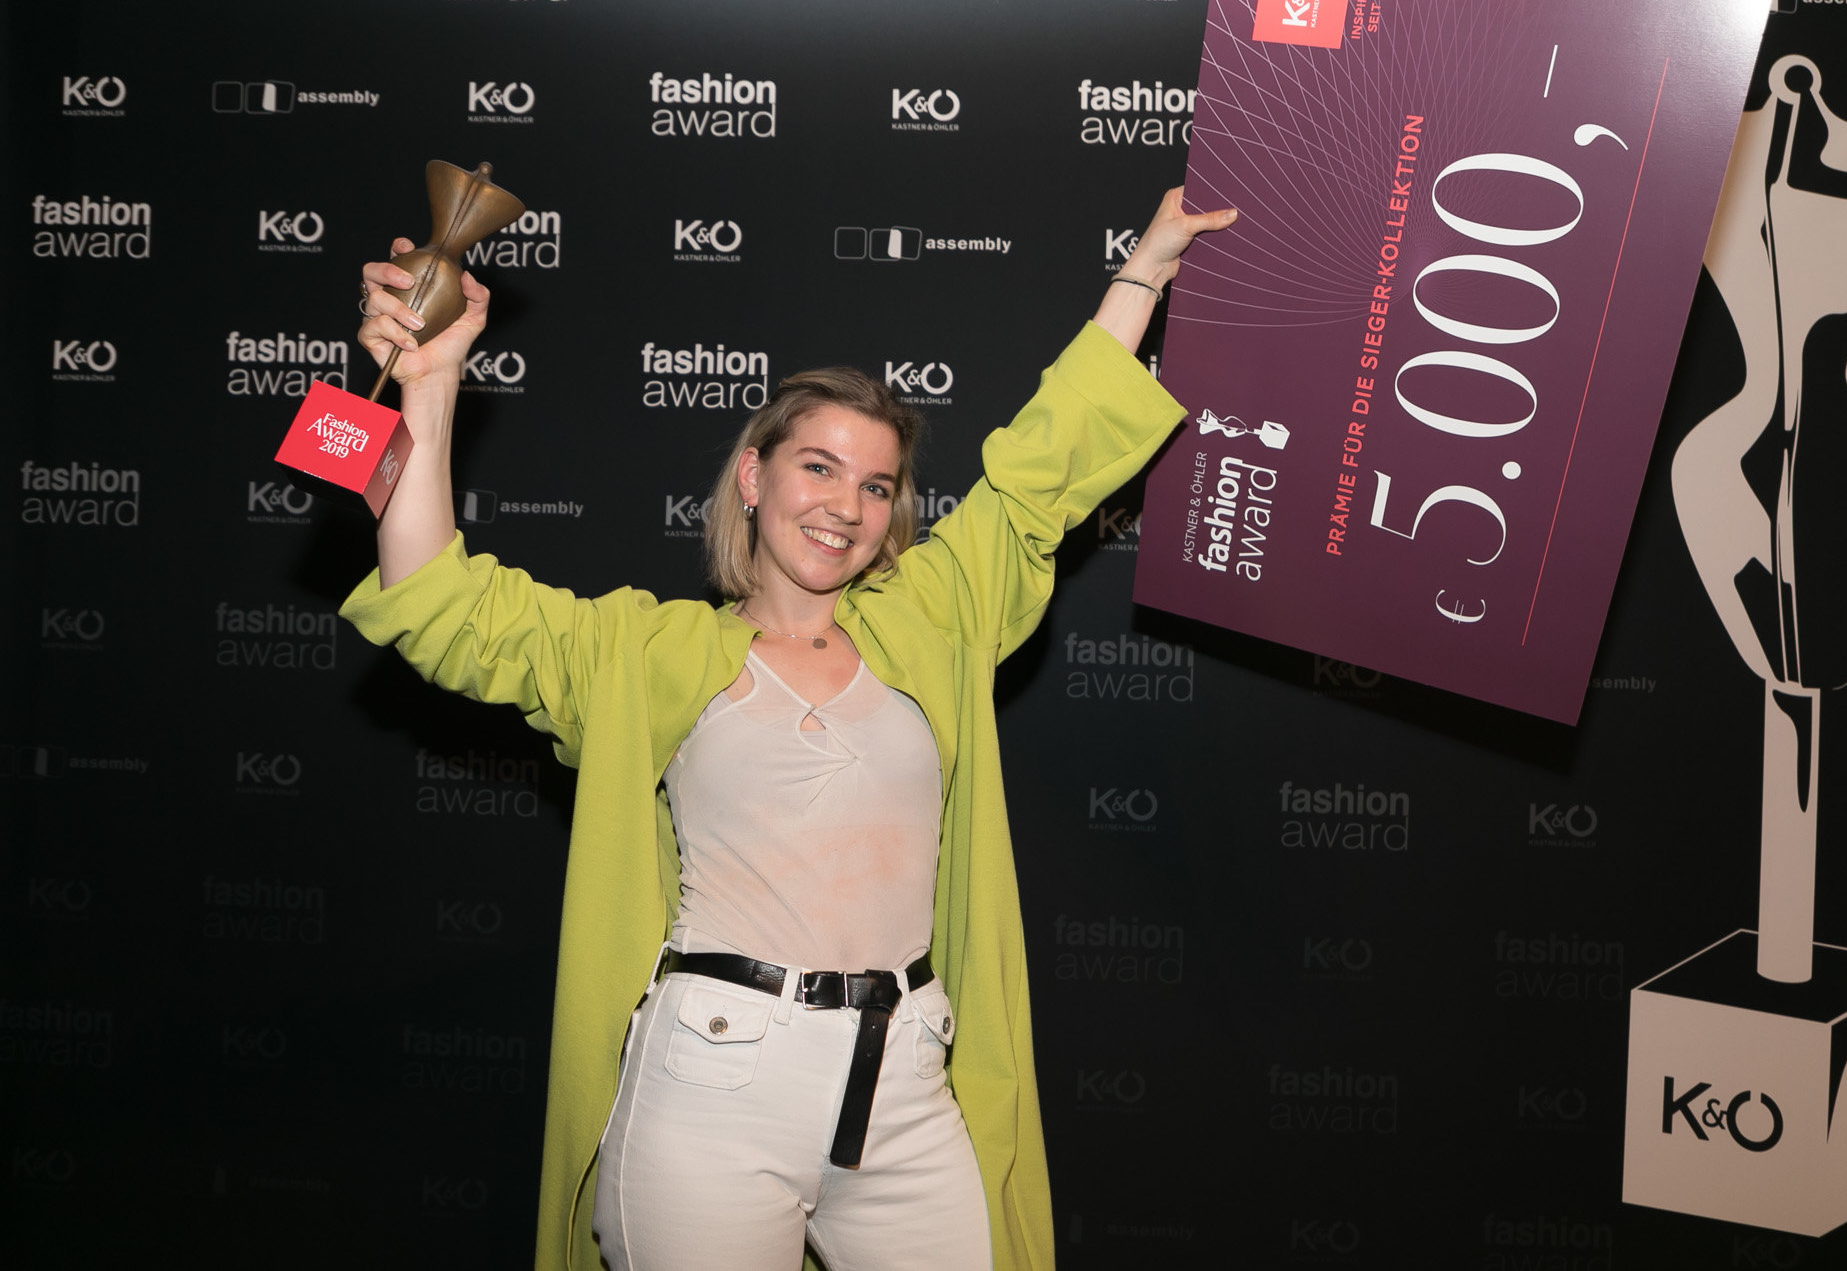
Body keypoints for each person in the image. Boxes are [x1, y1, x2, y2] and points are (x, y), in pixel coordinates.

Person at [343, 188, 1236, 1271]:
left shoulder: (932, 618)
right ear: (752, 476)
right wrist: (430, 384)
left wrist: (1145, 268)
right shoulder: (644, 651)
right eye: (818, 466)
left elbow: (1041, 472)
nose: (846, 506)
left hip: (905, 1079)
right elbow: (438, 600)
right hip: (712, 1085)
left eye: (876, 485)